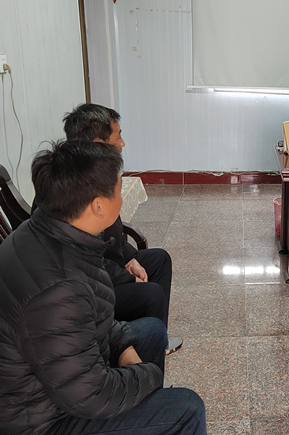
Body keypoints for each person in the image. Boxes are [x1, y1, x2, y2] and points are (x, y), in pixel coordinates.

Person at [0, 140, 206, 434]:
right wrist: (149, 376)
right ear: (98, 205)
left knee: (153, 331)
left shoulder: (52, 232)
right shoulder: (57, 288)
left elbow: (95, 315)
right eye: (119, 191)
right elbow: (89, 395)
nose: (121, 199)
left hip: (54, 382)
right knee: (187, 408)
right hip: (42, 419)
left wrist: (124, 350)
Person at [62, 103, 182, 355]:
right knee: (150, 293)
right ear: (98, 142)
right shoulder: (75, 187)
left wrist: (128, 258)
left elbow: (111, 232)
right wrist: (127, 277)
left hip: (103, 266)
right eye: (118, 136)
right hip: (87, 287)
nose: (122, 143)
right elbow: (84, 260)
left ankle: (156, 341)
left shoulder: (93, 173)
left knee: (159, 260)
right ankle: (141, 353)